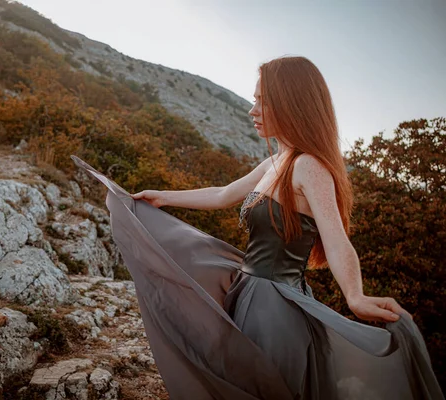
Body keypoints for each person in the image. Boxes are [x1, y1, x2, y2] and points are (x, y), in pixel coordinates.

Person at [70, 56, 443, 399]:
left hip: (277, 309)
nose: (253, 110)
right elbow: (223, 194)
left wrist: (355, 297)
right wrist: (163, 197)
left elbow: (337, 239)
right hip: (249, 294)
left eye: (262, 100)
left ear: (292, 102)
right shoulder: (278, 162)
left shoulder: (309, 167)